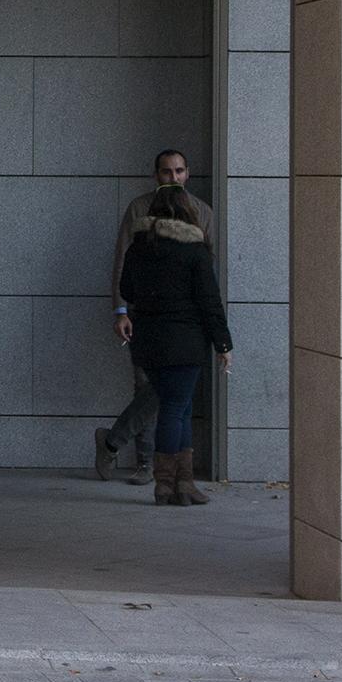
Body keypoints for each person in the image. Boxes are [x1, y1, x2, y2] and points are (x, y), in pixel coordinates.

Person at [95, 149, 213, 485]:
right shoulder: (139, 208)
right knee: (149, 386)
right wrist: (120, 310)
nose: (173, 178)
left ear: (187, 173)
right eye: (166, 172)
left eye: (178, 171)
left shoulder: (202, 212)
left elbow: (209, 268)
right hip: (146, 317)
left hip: (186, 323)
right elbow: (122, 262)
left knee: (172, 394)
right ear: (155, 175)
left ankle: (114, 441)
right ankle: (147, 463)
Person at [119, 183, 233, 505]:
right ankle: (167, 485)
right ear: (187, 211)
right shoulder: (195, 250)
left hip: (149, 343)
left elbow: (127, 289)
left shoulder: (138, 248)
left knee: (179, 408)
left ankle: (184, 484)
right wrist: (223, 344)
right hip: (184, 344)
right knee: (174, 408)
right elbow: (210, 301)